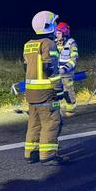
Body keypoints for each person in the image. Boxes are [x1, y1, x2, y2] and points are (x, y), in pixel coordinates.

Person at [23, 11, 66, 165]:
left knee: (34, 123)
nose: (56, 27)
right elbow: (50, 68)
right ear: (47, 26)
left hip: (31, 93)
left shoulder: (28, 44)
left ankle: (31, 153)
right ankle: (48, 155)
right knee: (50, 122)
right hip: (47, 92)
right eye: (54, 23)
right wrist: (59, 89)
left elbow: (26, 67)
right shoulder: (49, 44)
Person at [55, 22, 79, 117]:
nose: (57, 35)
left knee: (67, 91)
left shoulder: (71, 43)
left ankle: (71, 110)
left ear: (64, 33)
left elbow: (74, 59)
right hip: (56, 73)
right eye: (56, 33)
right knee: (57, 91)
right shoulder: (54, 42)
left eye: (59, 33)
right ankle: (59, 110)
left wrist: (65, 69)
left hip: (67, 73)